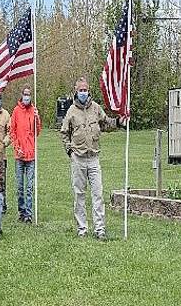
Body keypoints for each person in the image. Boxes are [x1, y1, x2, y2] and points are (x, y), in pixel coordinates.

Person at [60, 77, 121, 240]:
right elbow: (64, 133)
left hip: (93, 157)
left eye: (85, 90)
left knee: (98, 194)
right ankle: (82, 228)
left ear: (89, 91)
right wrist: (70, 151)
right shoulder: (71, 111)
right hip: (78, 158)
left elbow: (107, 123)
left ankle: (99, 229)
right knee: (79, 194)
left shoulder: (95, 108)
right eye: (80, 90)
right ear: (76, 91)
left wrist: (119, 122)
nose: (83, 92)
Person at [9, 86, 42, 223]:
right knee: (20, 187)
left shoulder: (33, 111)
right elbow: (12, 132)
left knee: (29, 187)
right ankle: (21, 211)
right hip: (19, 156)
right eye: (25, 94)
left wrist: (37, 118)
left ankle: (28, 213)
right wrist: (17, 147)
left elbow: (37, 132)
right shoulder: (16, 111)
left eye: (29, 94)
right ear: (22, 95)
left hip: (31, 155)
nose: (27, 97)